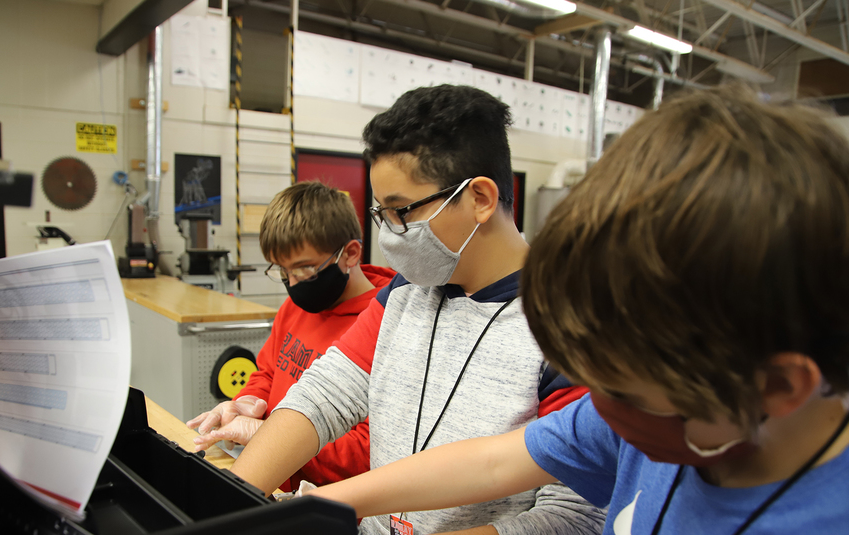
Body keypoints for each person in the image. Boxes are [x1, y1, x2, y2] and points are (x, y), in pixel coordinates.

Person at [307, 86, 849, 534]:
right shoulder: (666, 414)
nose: (598, 408)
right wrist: (326, 506)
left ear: (777, 385)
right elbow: (490, 465)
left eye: (623, 392)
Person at [230, 84, 607, 535]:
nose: (390, 233)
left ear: (480, 199)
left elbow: (573, 517)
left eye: (401, 212)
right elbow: (325, 395)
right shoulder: (407, 291)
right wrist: (231, 503)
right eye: (381, 214)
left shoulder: (570, 327)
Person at [186, 181, 395, 493]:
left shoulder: (385, 324)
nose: (294, 284)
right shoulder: (294, 307)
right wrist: (245, 404)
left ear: (350, 253)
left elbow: (368, 449)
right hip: (271, 480)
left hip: (332, 500)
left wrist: (270, 438)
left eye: (304, 269)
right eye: (283, 272)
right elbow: (268, 372)